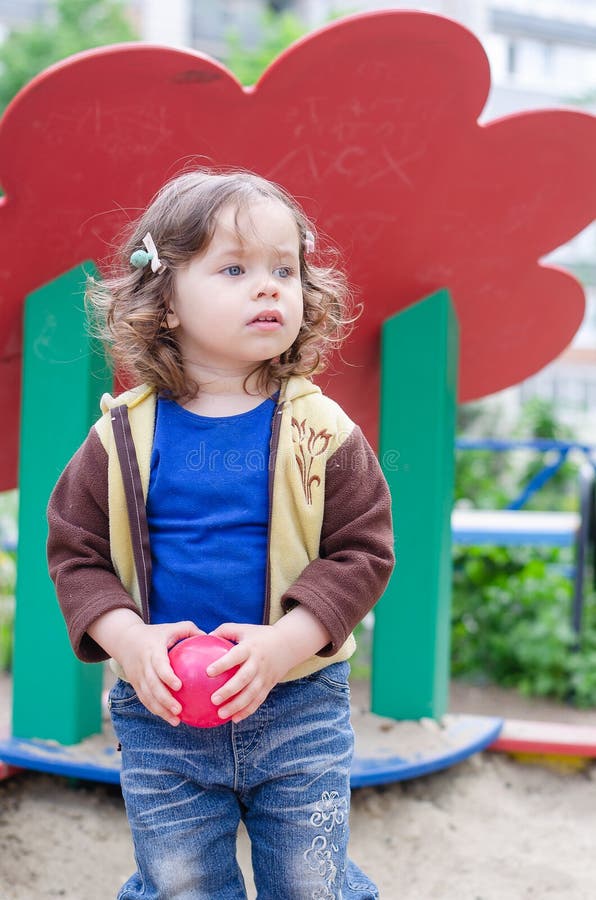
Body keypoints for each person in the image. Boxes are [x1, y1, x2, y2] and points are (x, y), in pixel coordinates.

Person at [47, 168, 395, 900]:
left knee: (311, 881)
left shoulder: (322, 431)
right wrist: (128, 640)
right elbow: (75, 550)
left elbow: (362, 550)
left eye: (283, 269)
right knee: (181, 882)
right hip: (163, 707)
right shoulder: (121, 436)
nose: (269, 287)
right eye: (234, 269)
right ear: (164, 301)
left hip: (298, 700)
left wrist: (286, 644)